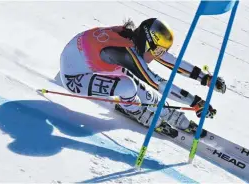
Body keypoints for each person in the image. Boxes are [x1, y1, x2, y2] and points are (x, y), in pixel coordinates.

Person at [59, 18, 226, 134]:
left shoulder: (135, 40)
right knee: (128, 87)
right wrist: (195, 102)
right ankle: (134, 111)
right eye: (158, 50)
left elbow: (170, 61)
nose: (159, 55)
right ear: (148, 42)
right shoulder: (123, 53)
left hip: (88, 62)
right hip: (75, 77)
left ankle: (159, 109)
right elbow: (156, 82)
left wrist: (205, 78)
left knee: (142, 90)